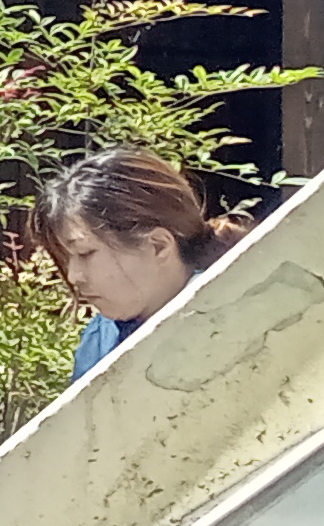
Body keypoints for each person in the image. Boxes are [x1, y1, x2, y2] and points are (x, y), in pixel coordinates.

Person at [41, 149, 251, 382]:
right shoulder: (101, 335)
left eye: (85, 253)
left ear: (158, 246)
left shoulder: (241, 317)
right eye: (67, 257)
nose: (73, 276)